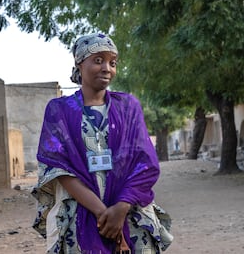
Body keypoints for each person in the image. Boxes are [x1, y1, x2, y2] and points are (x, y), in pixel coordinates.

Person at [31, 33, 173, 253]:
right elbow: (58, 168)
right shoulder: (59, 110)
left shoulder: (128, 106)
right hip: (78, 214)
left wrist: (121, 208)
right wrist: (103, 213)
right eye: (98, 60)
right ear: (79, 63)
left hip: (129, 212)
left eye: (112, 62)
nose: (107, 68)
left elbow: (146, 163)